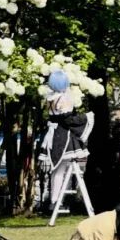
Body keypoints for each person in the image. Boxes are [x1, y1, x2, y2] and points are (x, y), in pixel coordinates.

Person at [37, 69, 92, 213]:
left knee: (57, 171)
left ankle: (54, 200)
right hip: (63, 136)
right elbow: (67, 120)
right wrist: (86, 118)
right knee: (60, 170)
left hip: (54, 134)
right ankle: (56, 201)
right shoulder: (63, 98)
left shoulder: (50, 98)